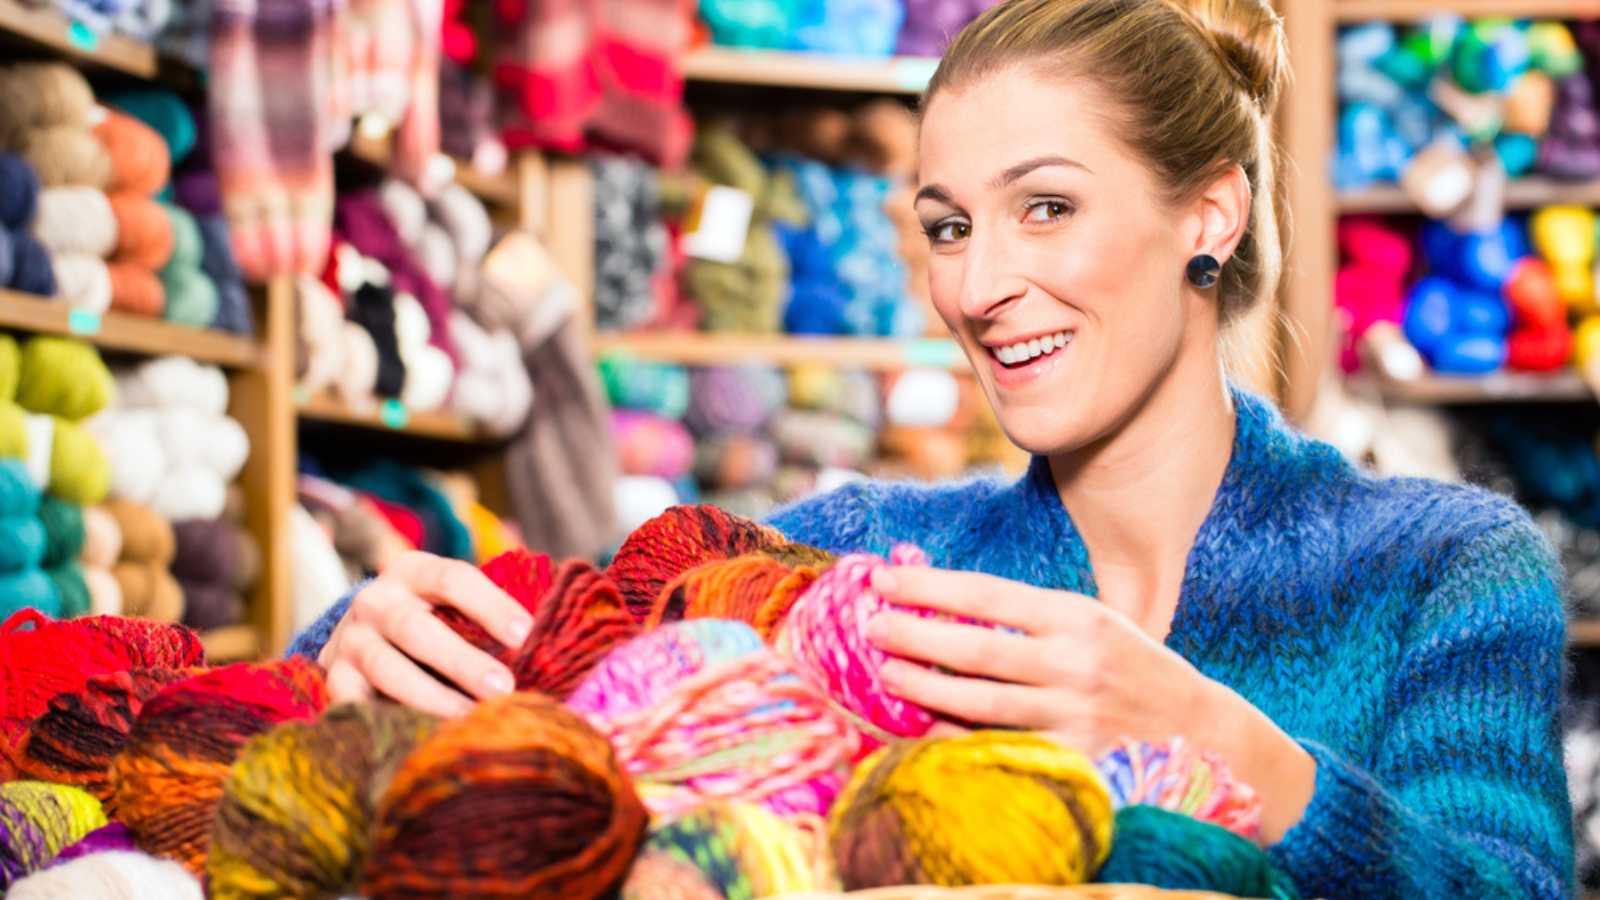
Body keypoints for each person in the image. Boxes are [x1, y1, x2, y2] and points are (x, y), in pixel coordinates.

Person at [287, 0, 1574, 894]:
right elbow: (567, 628)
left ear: (1210, 215)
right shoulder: (869, 562)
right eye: (948, 227)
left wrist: (1219, 740)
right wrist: (355, 637)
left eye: (1047, 208)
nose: (978, 285)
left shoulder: (1445, 569)